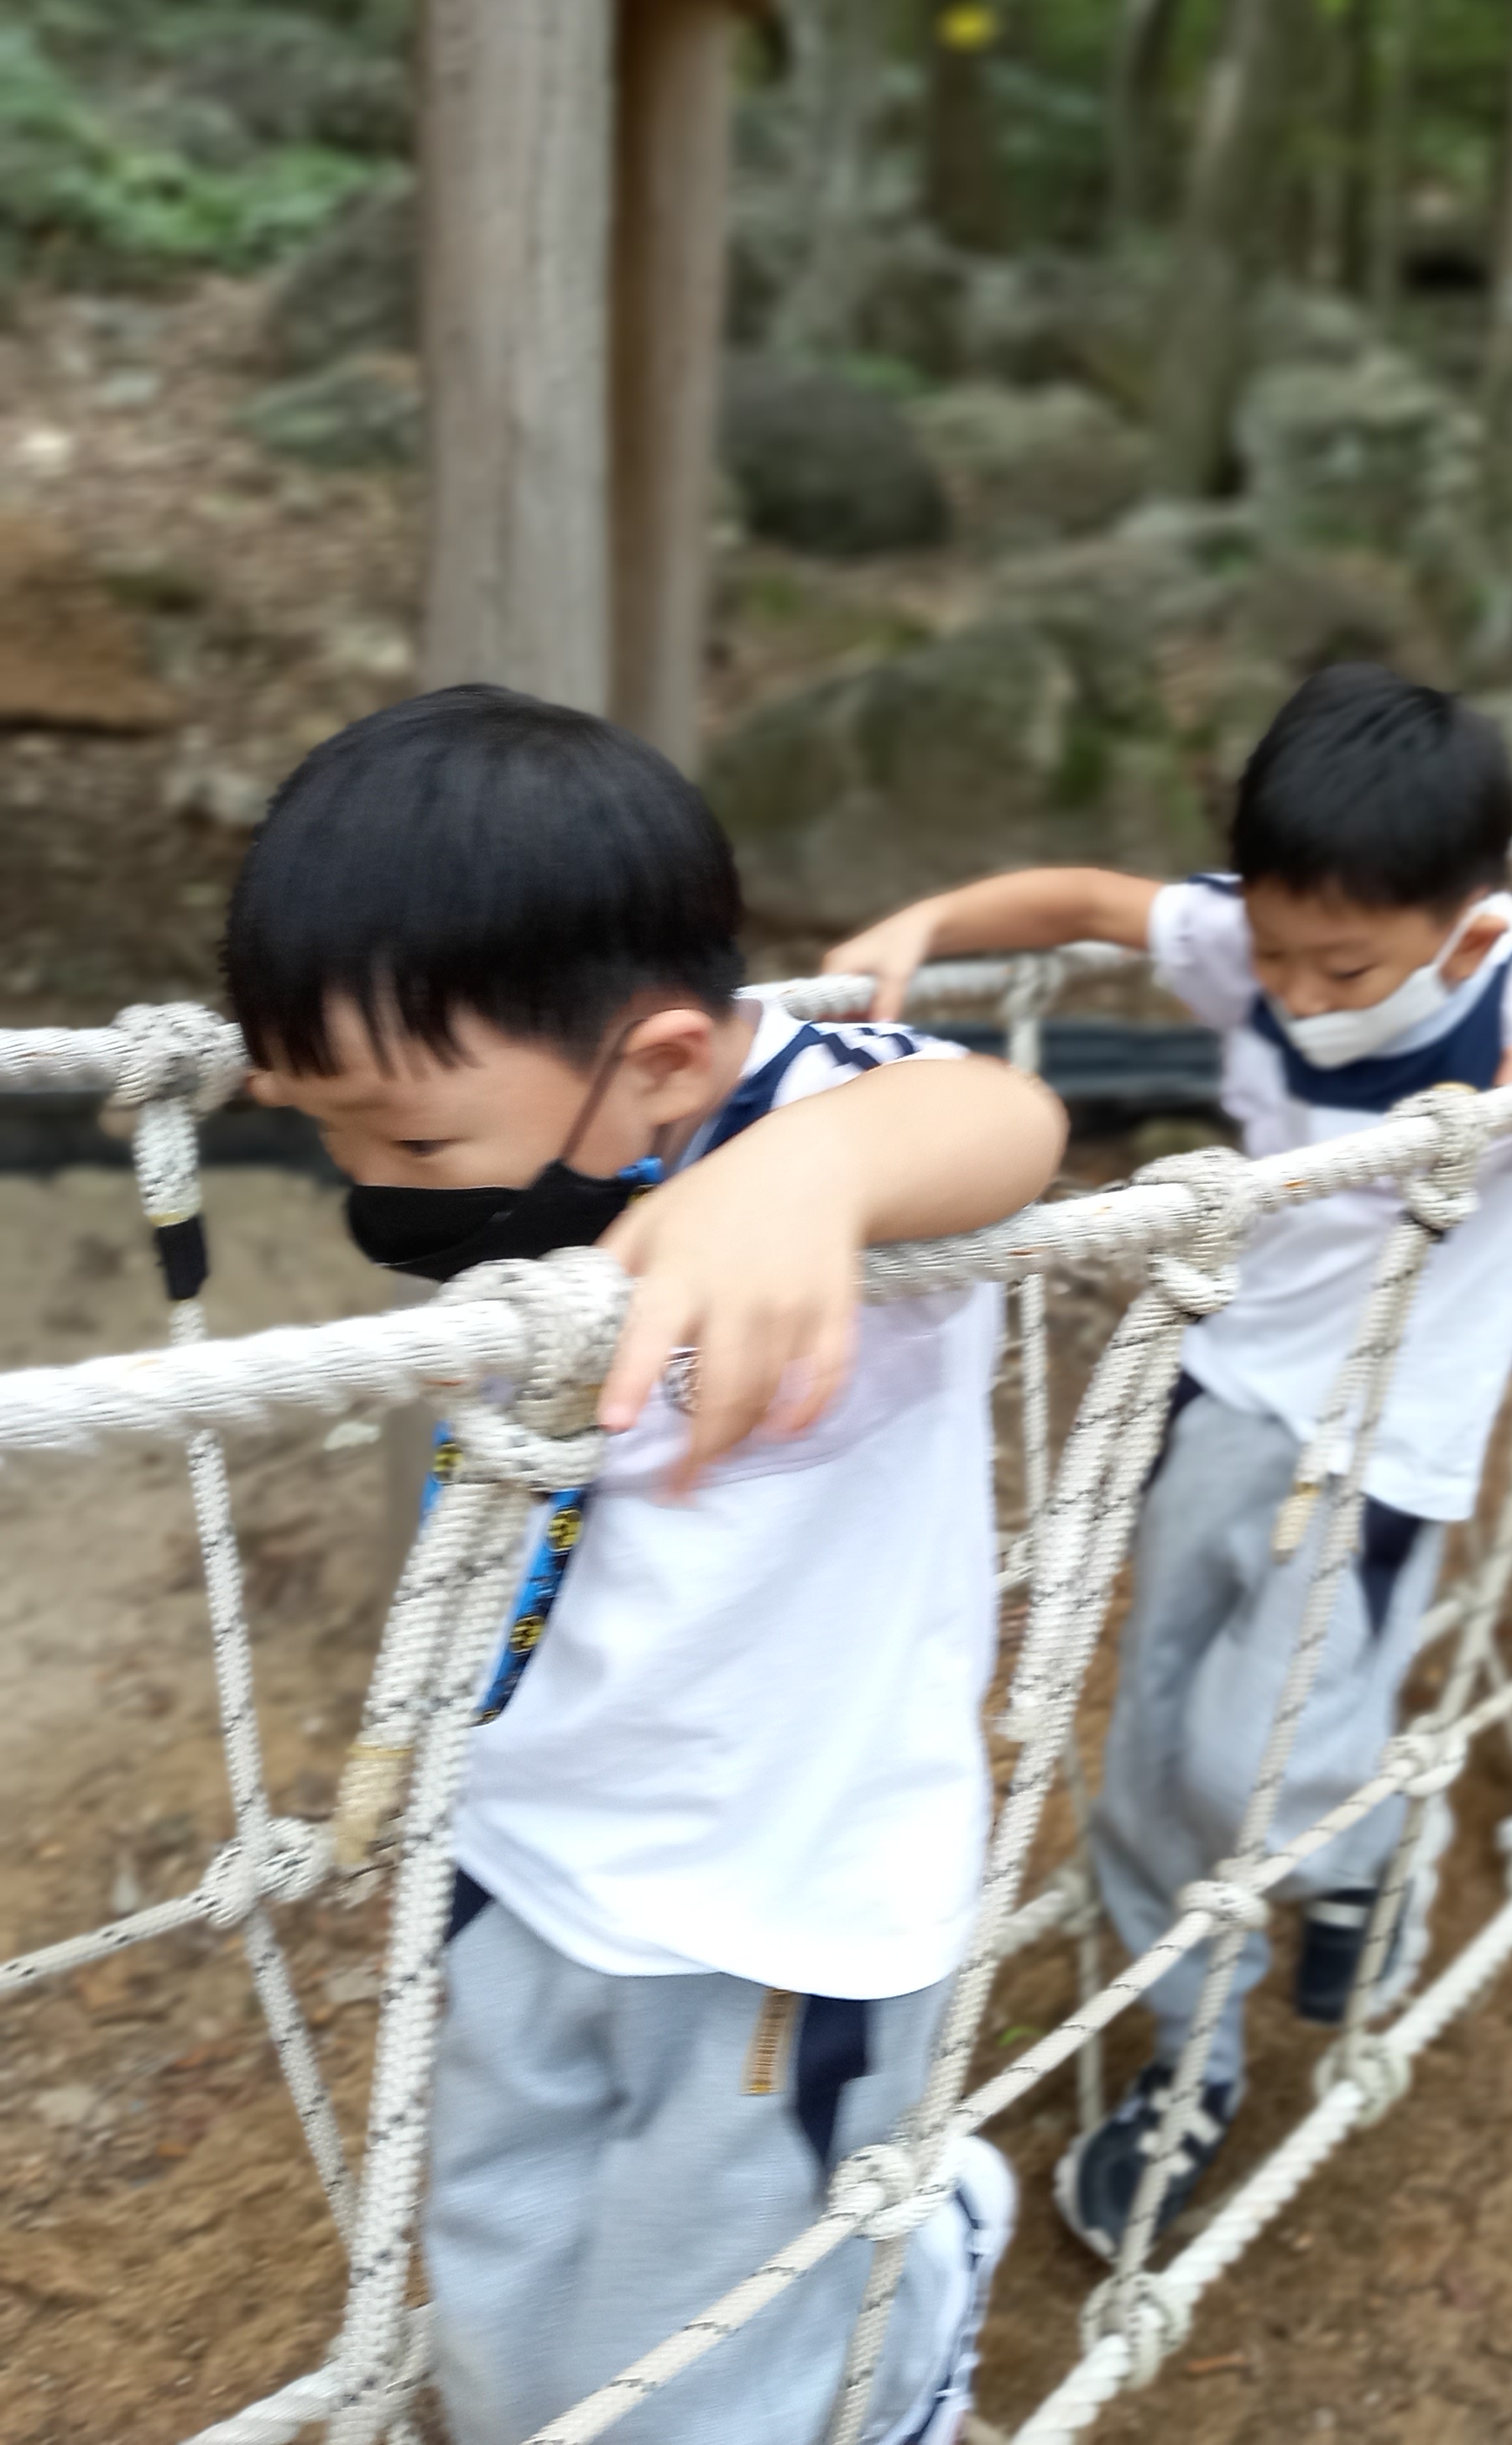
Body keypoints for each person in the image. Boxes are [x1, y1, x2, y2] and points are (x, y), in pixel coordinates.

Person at [829, 663, 1512, 2259]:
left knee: (1252, 1757)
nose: (1295, 989)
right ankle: (1187, 2056)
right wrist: (921, 926)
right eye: (1272, 949)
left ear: (1465, 912)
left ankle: (1368, 1854)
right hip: (1217, 1395)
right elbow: (1084, 896)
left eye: (1342, 961)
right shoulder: (1250, 945)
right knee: (1150, 1744)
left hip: (1378, 1449)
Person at [226, 685, 1069, 2445]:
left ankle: (913, 2304)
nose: (373, 1187)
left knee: (709, 2395)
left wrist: (809, 1176)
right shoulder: (529, 1163)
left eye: (410, 1142)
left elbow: (997, 1120)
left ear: (669, 1063)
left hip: (781, 1894)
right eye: (327, 1133)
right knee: (508, 2323)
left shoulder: (833, 1128)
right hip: (524, 1834)